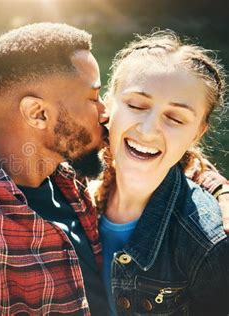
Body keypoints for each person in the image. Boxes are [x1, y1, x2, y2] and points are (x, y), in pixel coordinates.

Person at [0, 23, 229, 315]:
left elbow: (173, 155)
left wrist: (220, 191)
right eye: (94, 98)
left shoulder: (72, 179)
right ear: (38, 113)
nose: (105, 112)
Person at [95, 30, 229, 315]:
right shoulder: (68, 185)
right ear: (108, 105)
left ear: (198, 132)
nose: (148, 129)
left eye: (176, 118)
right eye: (136, 105)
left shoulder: (209, 244)